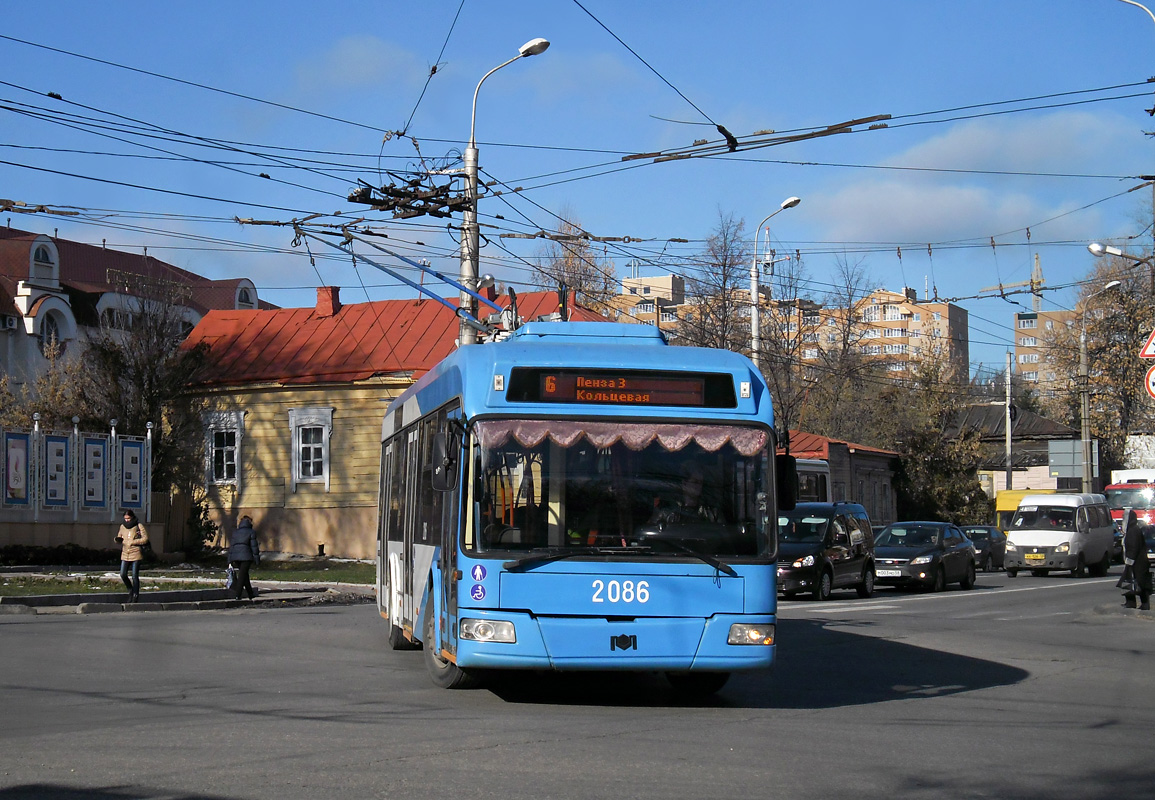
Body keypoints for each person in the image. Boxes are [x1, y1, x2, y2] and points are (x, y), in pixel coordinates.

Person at [650, 462, 720, 526]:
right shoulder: (665, 511)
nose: (698, 486)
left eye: (701, 482)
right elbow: (653, 530)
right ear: (684, 484)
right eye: (695, 482)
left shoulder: (710, 513)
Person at [115, 509, 149, 603]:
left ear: (132, 517)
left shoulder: (138, 525)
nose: (127, 520)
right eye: (125, 518)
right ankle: (130, 590)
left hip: (136, 553)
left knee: (134, 576)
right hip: (125, 553)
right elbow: (120, 536)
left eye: (128, 518)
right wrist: (117, 540)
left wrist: (133, 542)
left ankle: (135, 595)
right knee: (123, 574)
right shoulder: (122, 526)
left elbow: (145, 539)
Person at [1121, 509, 1151, 610]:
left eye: (1124, 518)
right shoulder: (1132, 529)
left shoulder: (1133, 531)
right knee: (1131, 582)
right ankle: (1131, 602)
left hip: (1137, 562)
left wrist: (1130, 560)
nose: (1123, 520)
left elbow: (1134, 546)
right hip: (1137, 561)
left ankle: (1142, 603)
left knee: (1138, 583)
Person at [228, 515, 261, 600]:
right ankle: (238, 595)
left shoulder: (236, 532)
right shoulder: (251, 532)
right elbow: (254, 547)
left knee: (244, 575)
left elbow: (232, 546)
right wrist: (257, 560)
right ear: (249, 523)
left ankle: (250, 594)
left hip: (236, 557)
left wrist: (229, 559)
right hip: (246, 557)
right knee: (242, 576)